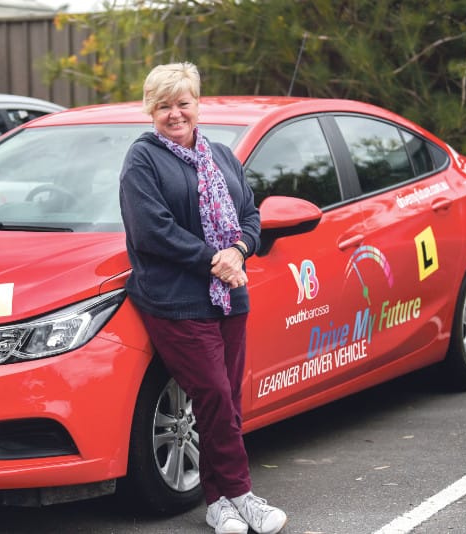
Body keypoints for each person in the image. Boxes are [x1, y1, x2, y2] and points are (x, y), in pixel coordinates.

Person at [119, 62, 288, 534]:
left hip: (229, 295)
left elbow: (250, 216)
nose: (175, 113)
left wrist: (238, 251)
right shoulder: (142, 160)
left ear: (198, 103)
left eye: (183, 102)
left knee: (227, 402)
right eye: (164, 105)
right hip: (175, 299)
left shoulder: (221, 156)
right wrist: (215, 259)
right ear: (150, 110)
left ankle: (218, 503)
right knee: (212, 394)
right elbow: (152, 232)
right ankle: (242, 494)